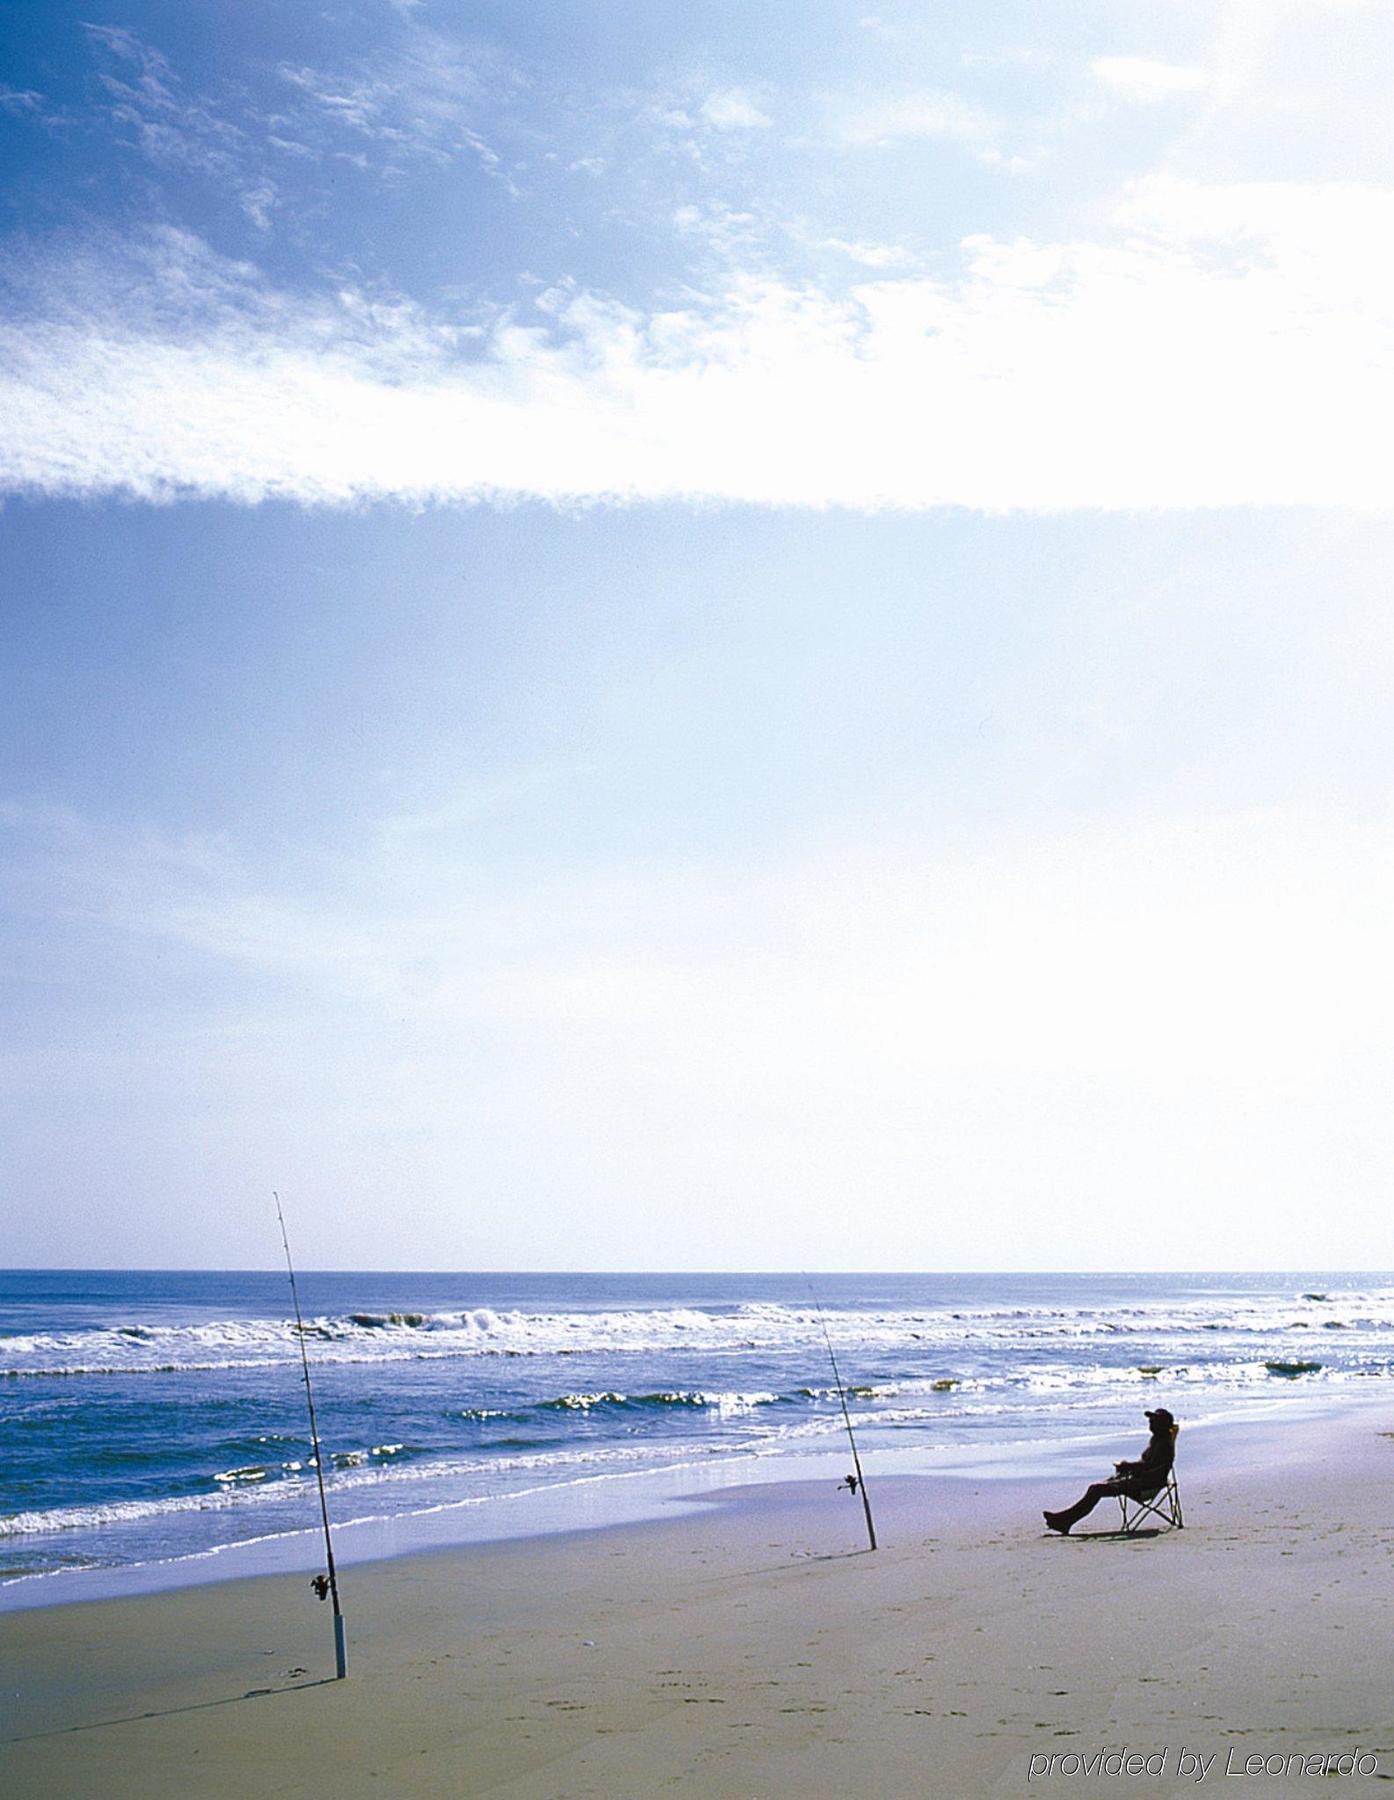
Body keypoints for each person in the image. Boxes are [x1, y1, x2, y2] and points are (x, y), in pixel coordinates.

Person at [1042, 1408, 1176, 1534]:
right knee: (1095, 1488)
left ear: (1163, 1425)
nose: (1150, 1423)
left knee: (1096, 1489)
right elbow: (1148, 1465)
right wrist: (1128, 1468)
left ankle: (1065, 1520)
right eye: (1150, 1420)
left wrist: (1128, 1467)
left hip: (1146, 1486)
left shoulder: (1164, 1444)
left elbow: (1151, 1467)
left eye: (1154, 1421)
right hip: (1141, 1481)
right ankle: (1064, 1519)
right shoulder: (1157, 1440)